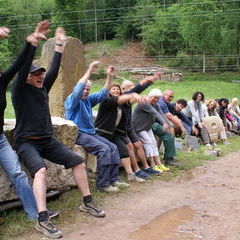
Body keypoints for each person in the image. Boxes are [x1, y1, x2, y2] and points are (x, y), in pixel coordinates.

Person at [11, 26, 105, 239]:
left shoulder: (43, 88)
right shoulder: (19, 91)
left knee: (77, 162)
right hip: (26, 142)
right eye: (35, 74)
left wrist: (59, 45)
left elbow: (53, 68)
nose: (40, 77)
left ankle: (87, 202)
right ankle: (42, 219)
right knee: (41, 171)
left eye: (40, 74)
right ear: (26, 77)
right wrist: (32, 42)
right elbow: (24, 66)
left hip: (47, 140)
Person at [0, 23, 49, 221]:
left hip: (0, 140)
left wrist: (32, 43)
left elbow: (21, 65)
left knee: (18, 174)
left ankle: (33, 214)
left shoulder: (2, 81)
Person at [65, 61, 128, 192]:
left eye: (88, 89)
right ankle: (102, 184)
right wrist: (89, 71)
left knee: (113, 148)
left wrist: (109, 77)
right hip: (79, 133)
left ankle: (113, 179)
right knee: (104, 149)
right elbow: (78, 89)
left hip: (90, 133)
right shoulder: (73, 99)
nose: (86, 91)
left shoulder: (87, 99)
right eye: (84, 89)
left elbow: (103, 93)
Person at [95, 83, 146, 183]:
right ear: (109, 91)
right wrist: (133, 96)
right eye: (113, 89)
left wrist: (149, 80)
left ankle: (130, 175)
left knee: (123, 151)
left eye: (117, 89)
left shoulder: (121, 103)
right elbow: (128, 96)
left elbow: (135, 90)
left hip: (114, 133)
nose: (116, 91)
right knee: (109, 152)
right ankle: (105, 178)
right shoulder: (106, 100)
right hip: (102, 133)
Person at [121, 74, 163, 175]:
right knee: (131, 146)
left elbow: (137, 90)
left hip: (129, 127)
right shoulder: (120, 98)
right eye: (130, 88)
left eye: (132, 87)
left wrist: (149, 81)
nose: (132, 90)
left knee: (139, 145)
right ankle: (136, 170)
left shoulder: (129, 99)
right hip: (121, 129)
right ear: (123, 88)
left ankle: (146, 167)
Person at [132, 88, 177, 167]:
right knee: (149, 142)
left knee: (154, 143)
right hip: (138, 127)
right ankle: (152, 164)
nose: (156, 100)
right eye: (154, 97)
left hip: (146, 127)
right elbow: (155, 113)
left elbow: (161, 114)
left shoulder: (155, 104)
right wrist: (163, 123)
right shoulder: (144, 103)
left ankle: (158, 163)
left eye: (158, 98)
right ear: (150, 96)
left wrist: (169, 124)